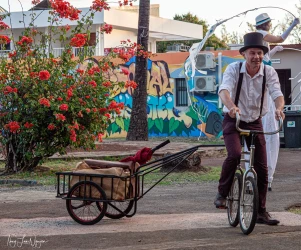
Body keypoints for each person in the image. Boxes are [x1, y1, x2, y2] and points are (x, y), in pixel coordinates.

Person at [214, 32, 285, 225]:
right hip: (233, 119)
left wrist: (279, 108)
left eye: (260, 53)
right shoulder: (233, 69)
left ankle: (261, 211)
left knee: (262, 168)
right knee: (235, 154)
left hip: (255, 120)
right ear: (244, 54)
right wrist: (231, 107)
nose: (257, 57)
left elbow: (277, 93)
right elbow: (224, 90)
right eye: (252, 53)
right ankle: (222, 193)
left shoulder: (269, 72)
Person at [245, 13, 300, 191]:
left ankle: (259, 177)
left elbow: (266, 58)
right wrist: (293, 24)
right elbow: (281, 37)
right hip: (263, 93)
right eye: (269, 23)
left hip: (264, 91)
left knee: (261, 136)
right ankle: (262, 177)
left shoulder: (259, 41)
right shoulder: (262, 35)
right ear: (265, 24)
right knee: (265, 135)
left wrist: (274, 51)